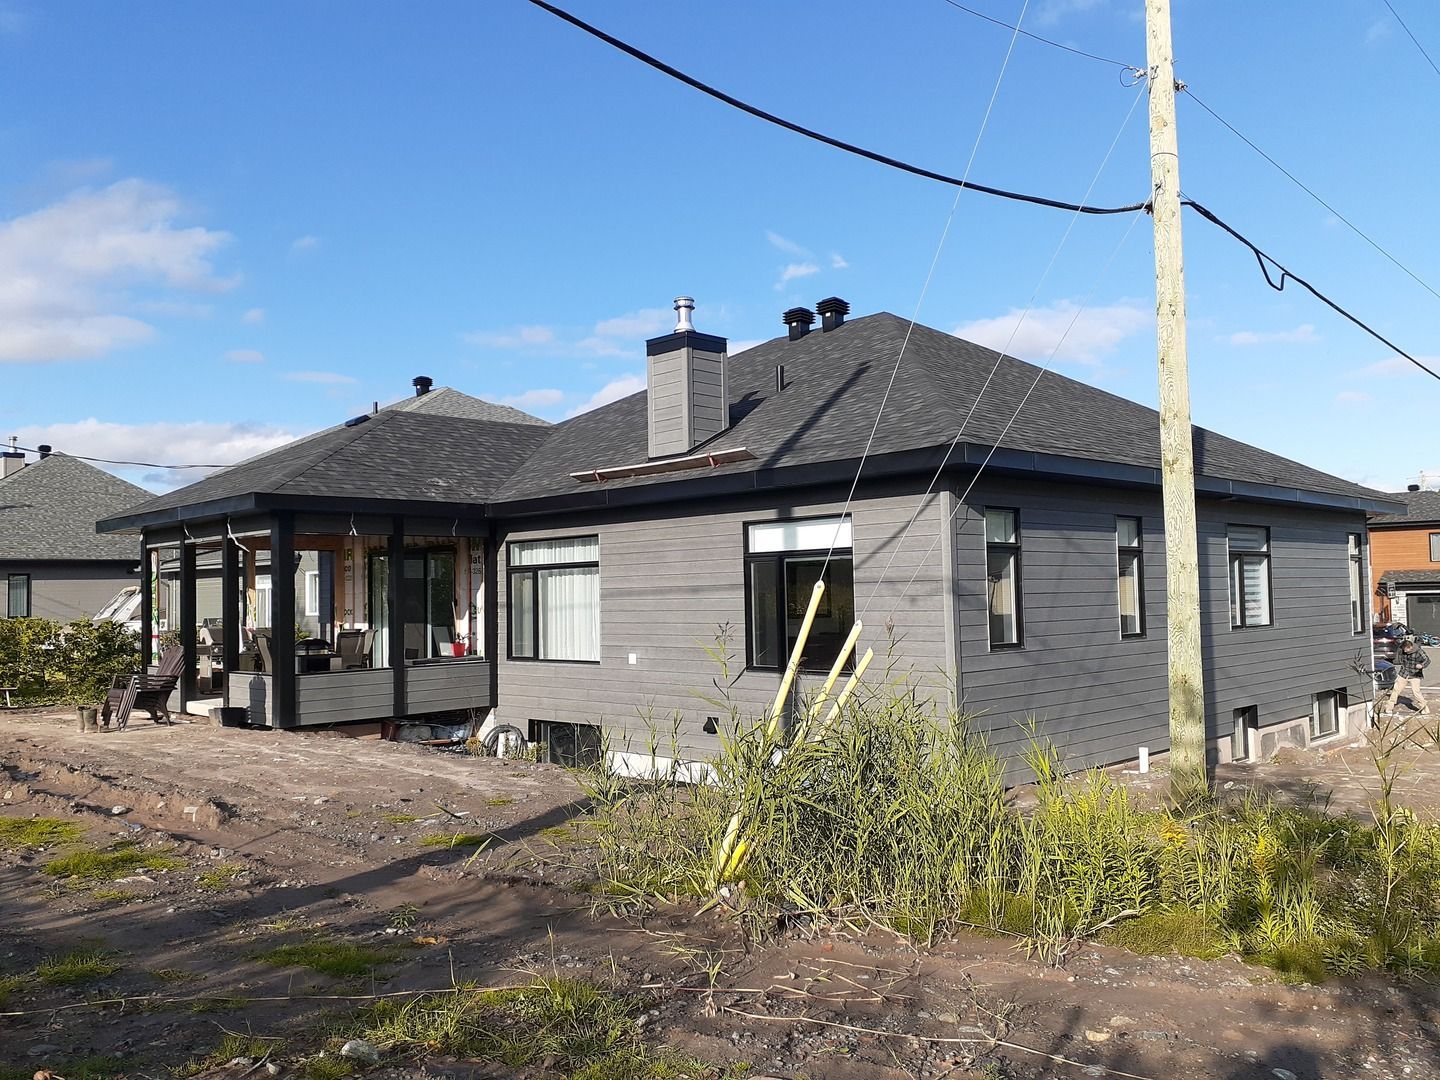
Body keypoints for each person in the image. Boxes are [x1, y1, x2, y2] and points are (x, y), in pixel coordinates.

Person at [1376, 634, 1431, 716]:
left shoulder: (1419, 651)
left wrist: (1421, 665)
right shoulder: (1402, 650)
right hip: (1404, 673)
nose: (1405, 651)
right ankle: (1389, 708)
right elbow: (1398, 658)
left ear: (1410, 647)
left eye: (1406, 650)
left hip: (1415, 674)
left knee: (1416, 692)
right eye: (1404, 649)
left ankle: (1425, 708)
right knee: (1395, 690)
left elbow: (1427, 660)